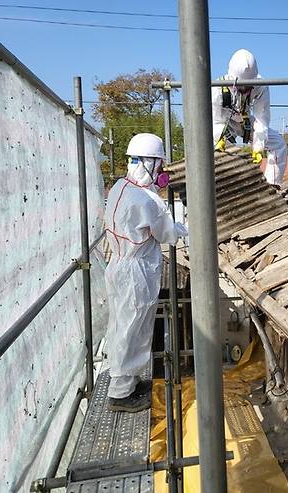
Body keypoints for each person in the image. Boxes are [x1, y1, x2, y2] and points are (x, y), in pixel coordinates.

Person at [104, 133, 188, 412]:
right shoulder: (148, 200)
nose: (161, 172)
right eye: (160, 166)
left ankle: (128, 383)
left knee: (121, 325)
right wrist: (183, 226)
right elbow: (167, 234)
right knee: (134, 329)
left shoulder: (119, 188)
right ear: (150, 163)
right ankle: (120, 395)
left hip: (117, 264)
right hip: (136, 270)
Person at [212, 49, 288, 187]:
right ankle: (231, 187)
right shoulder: (217, 89)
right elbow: (215, 120)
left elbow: (261, 118)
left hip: (245, 121)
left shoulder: (261, 87)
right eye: (242, 85)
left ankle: (273, 185)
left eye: (248, 85)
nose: (245, 89)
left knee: (278, 144)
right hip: (224, 124)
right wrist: (220, 138)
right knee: (226, 153)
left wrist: (258, 147)